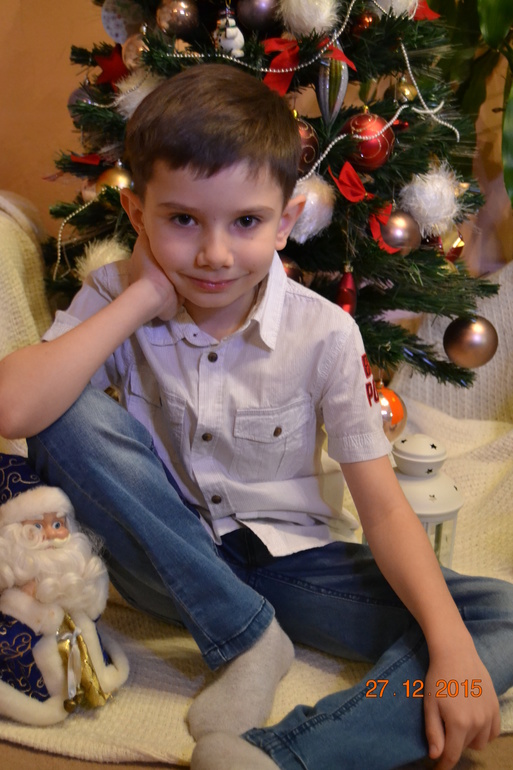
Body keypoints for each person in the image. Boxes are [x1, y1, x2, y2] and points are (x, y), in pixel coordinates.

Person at [0, 63, 511, 769]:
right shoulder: (119, 293)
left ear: (286, 222)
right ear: (138, 215)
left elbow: (384, 508)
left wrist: (450, 645)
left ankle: (285, 758)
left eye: (245, 222)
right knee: (65, 409)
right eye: (182, 220)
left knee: (495, 619)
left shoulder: (325, 334)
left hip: (291, 563)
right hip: (164, 560)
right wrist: (141, 301)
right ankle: (249, 642)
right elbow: (16, 408)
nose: (214, 255)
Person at [0, 453, 129, 725]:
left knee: (85, 629)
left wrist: (83, 592)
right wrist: (31, 608)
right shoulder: (12, 576)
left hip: (73, 630)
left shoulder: (72, 568)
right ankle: (51, 695)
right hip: (31, 645)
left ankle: (91, 682)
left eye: (58, 524)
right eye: (37, 526)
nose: (50, 534)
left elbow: (92, 608)